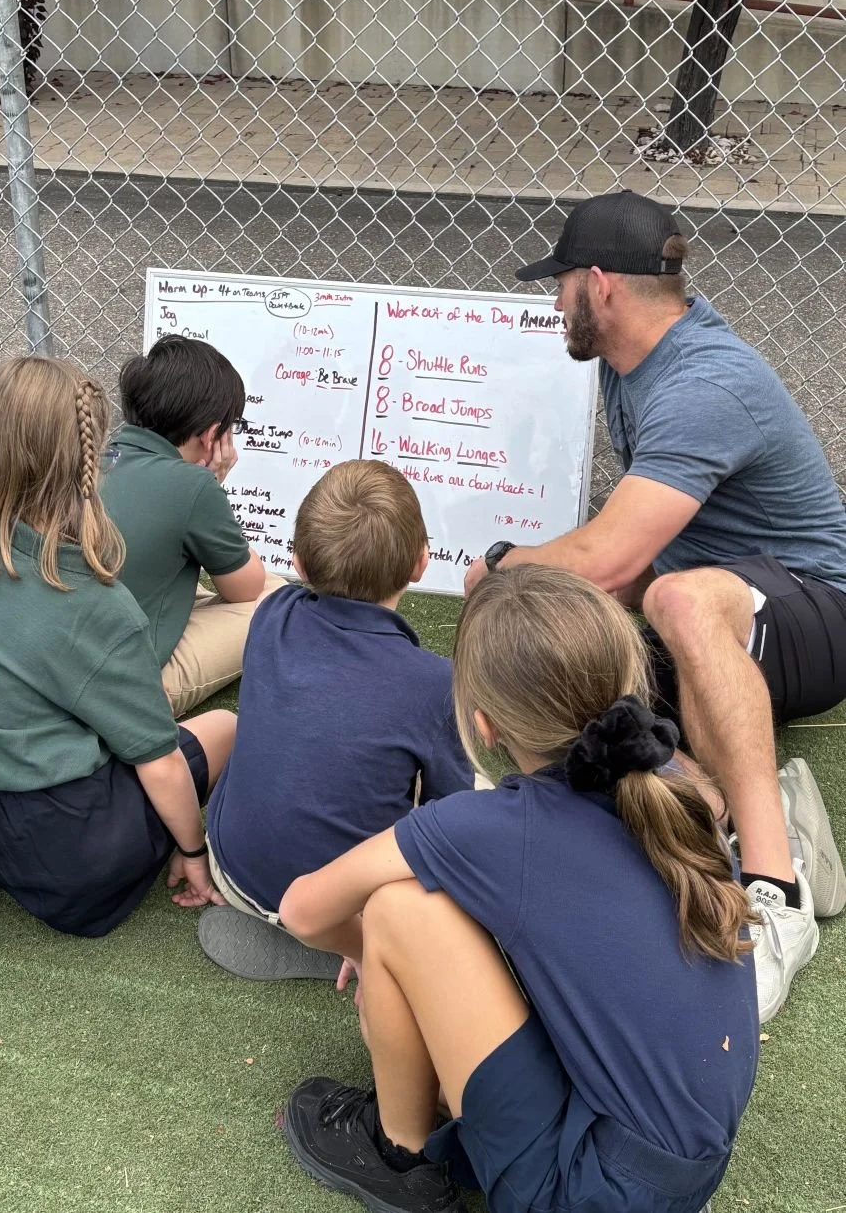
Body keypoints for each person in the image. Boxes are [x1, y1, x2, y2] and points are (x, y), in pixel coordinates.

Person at [465, 189, 846, 1023]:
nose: (553, 302)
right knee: (586, 708)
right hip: (708, 605)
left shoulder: (706, 381)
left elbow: (610, 561)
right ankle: (760, 807)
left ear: (599, 284)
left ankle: (775, 890)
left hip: (815, 608)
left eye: (560, 282)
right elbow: (621, 561)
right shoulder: (627, 363)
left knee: (673, 596)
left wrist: (495, 567)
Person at [277, 565, 756, 1213]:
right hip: (680, 1170)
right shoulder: (674, 784)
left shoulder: (498, 827)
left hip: (588, 1194)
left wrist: (368, 954)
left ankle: (401, 1158)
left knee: (396, 909)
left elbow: (303, 909)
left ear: (485, 725)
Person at [0, 358, 235, 953]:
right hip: (64, 851)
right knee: (223, 728)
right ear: (87, 463)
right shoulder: (95, 603)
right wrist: (191, 850)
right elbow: (158, 762)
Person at [198, 459, 473, 979]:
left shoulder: (272, 612)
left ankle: (297, 926)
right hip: (353, 910)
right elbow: (448, 819)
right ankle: (351, 946)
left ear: (298, 562)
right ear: (421, 562)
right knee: (477, 800)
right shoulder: (437, 684)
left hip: (229, 867)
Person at [101, 335, 282, 718]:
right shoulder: (193, 485)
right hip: (123, 685)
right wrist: (212, 485)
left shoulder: (96, 457)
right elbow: (246, 588)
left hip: (65, 650)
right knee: (275, 599)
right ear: (212, 434)